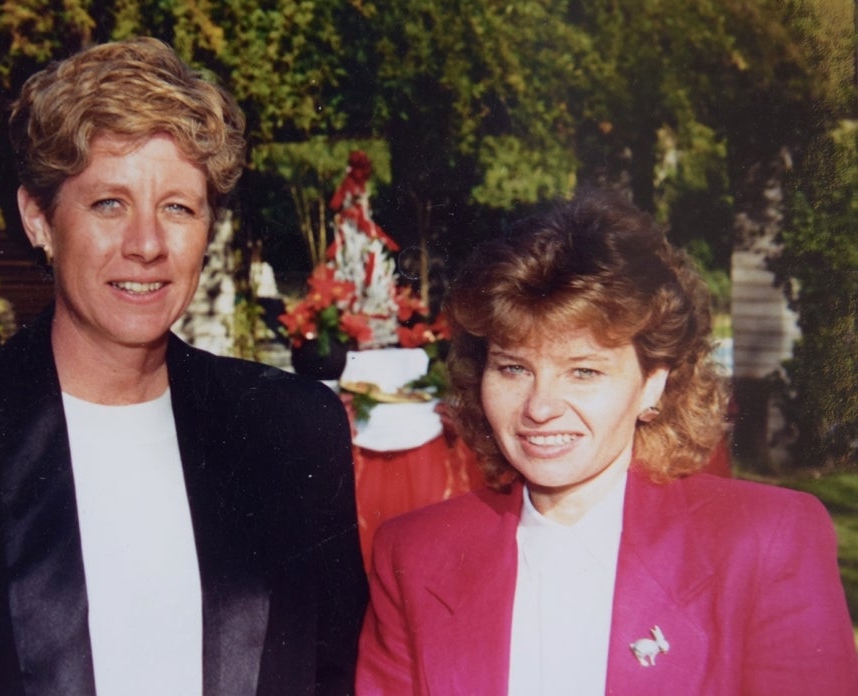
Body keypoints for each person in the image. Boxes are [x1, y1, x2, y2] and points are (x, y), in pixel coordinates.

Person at [0, 37, 367, 695]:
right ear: (39, 219)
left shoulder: (289, 429)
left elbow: (335, 674)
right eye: (109, 204)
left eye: (177, 207)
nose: (147, 244)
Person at [356, 190, 858, 695]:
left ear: (654, 382)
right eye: (513, 368)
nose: (540, 406)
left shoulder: (764, 543)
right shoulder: (415, 554)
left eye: (584, 371)